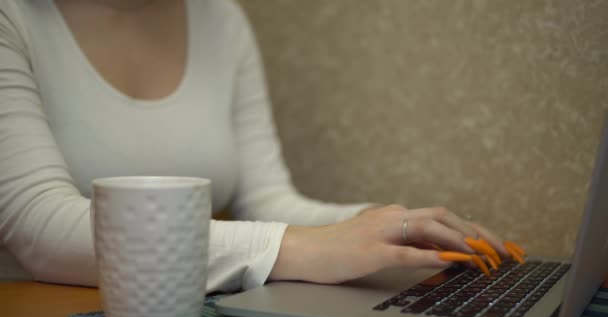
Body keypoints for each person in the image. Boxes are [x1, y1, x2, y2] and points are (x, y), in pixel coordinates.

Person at [0, 0, 515, 293]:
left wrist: (388, 227)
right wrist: (302, 248)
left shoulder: (219, 18)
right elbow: (39, 226)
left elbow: (266, 203)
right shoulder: (13, 17)